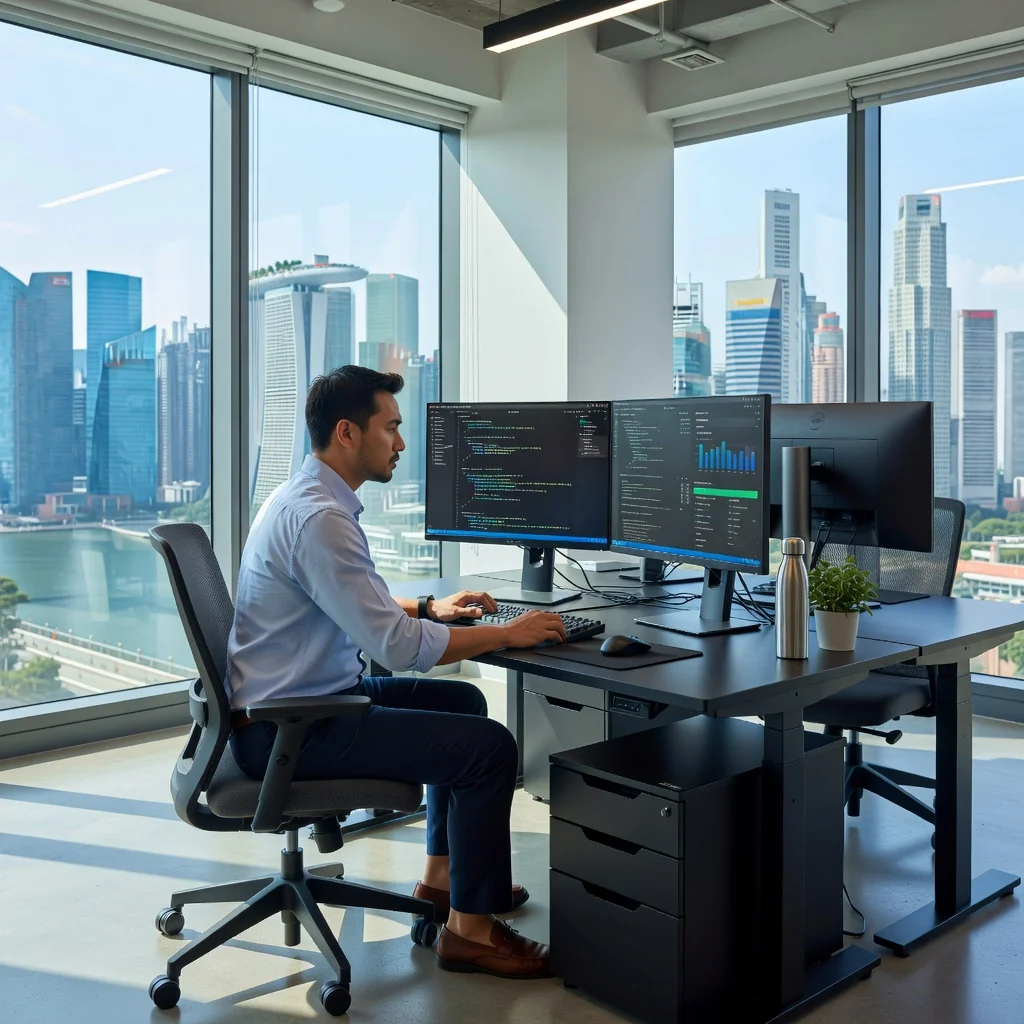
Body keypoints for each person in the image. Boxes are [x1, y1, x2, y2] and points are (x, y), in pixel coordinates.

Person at [227, 365, 566, 979]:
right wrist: (509, 633)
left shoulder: (305, 495)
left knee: (462, 706)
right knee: (489, 749)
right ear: (348, 433)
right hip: (295, 728)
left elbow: (353, 603)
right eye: (393, 428)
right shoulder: (320, 519)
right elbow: (400, 645)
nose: (402, 444)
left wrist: (433, 607)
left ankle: (442, 884)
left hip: (302, 702)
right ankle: (471, 933)